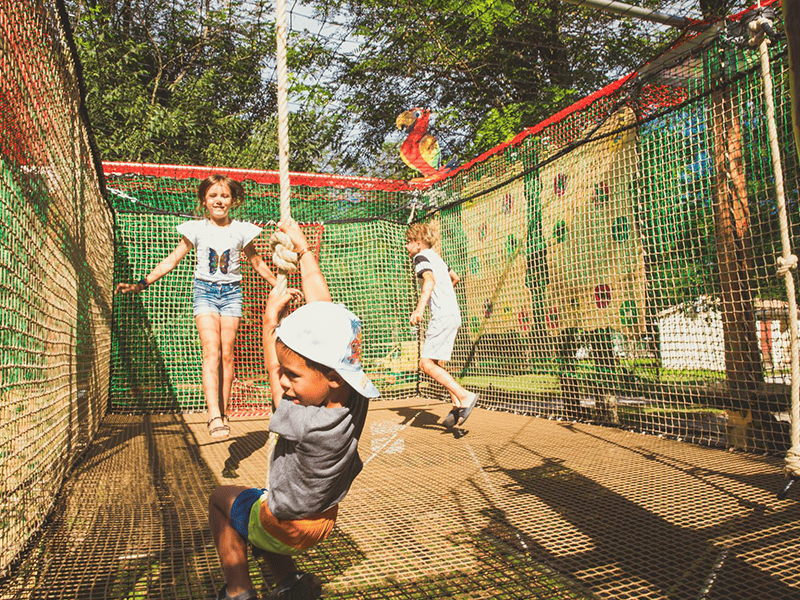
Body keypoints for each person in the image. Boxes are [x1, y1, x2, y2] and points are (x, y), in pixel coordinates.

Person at [208, 217, 378, 600]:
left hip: (284, 523)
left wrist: (271, 322)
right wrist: (303, 252)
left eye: (293, 376)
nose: (286, 383)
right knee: (258, 508)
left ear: (331, 376)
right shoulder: (353, 395)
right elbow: (326, 308)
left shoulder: (305, 419)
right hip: (324, 520)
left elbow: (272, 368)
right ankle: (288, 585)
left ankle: (238, 591)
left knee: (222, 501)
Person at [116, 174, 278, 439]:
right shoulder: (196, 229)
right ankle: (213, 414)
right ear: (204, 200)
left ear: (232, 201)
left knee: (227, 353)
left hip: (232, 294)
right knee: (211, 349)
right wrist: (141, 284)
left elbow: (257, 263)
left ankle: (223, 414)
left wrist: (278, 285)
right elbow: (171, 260)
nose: (219, 200)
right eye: (213, 195)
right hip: (204, 291)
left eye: (224, 196)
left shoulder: (241, 230)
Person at [406, 222, 478, 428]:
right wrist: (443, 295)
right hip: (454, 314)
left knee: (426, 364)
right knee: (438, 364)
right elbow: (454, 278)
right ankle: (456, 405)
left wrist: (420, 308)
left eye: (408, 243)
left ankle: (464, 396)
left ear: (418, 244)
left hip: (443, 316)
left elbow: (428, 281)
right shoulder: (437, 258)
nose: (406, 247)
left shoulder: (420, 258)